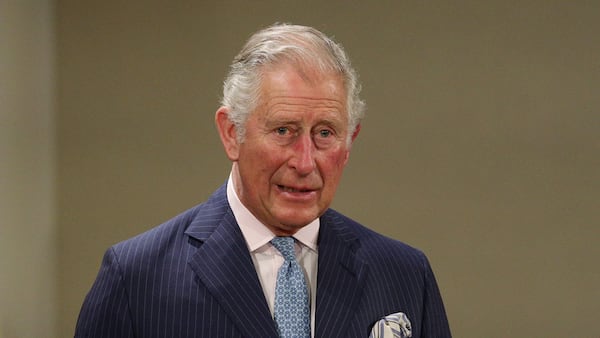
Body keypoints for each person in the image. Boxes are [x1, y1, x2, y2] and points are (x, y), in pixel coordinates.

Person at [75, 23, 451, 338]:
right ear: (230, 132)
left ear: (349, 141)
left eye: (324, 133)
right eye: (284, 130)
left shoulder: (403, 275)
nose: (305, 162)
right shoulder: (137, 279)